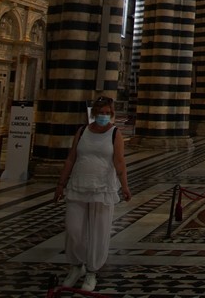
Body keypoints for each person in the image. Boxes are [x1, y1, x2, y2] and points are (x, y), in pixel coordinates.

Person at [55, 96, 132, 292]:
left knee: (99, 230)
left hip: (102, 187)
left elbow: (120, 162)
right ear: (94, 113)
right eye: (101, 113)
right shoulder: (82, 132)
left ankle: (91, 272)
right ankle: (76, 266)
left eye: (107, 113)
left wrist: (124, 186)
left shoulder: (115, 134)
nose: (104, 116)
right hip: (78, 184)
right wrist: (61, 184)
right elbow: (71, 158)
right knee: (73, 229)